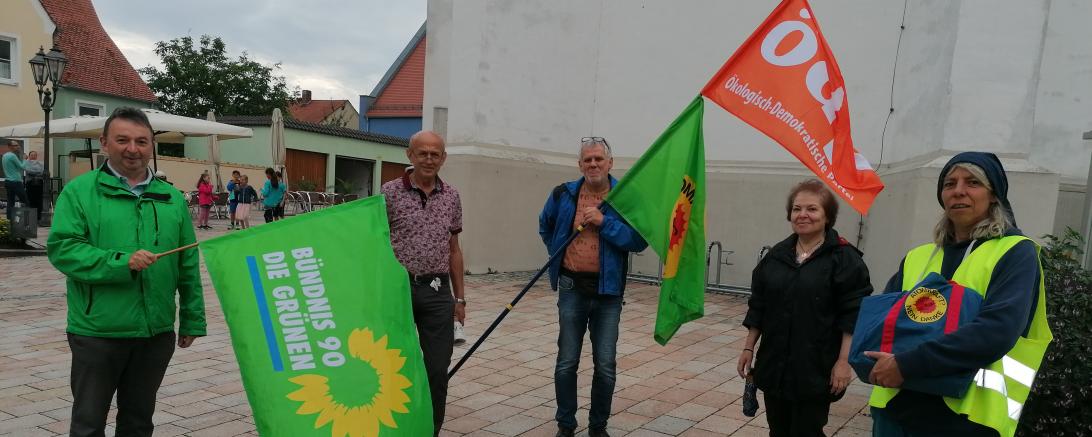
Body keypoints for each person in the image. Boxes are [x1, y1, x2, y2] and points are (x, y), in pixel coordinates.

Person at [866, 152, 1052, 437]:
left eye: (973, 182)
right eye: (949, 183)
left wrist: (906, 364)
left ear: (994, 195)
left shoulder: (1015, 252)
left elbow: (996, 331)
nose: (958, 191)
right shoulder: (919, 256)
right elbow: (882, 322)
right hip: (895, 411)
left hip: (965, 420)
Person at [46, 107, 206, 437]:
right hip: (98, 332)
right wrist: (123, 262)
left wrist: (192, 318)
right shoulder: (80, 192)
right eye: (122, 140)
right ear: (105, 143)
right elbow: (63, 249)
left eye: (141, 141)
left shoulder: (171, 198)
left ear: (151, 146)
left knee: (138, 421)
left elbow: (187, 263)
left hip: (155, 333)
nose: (132, 148)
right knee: (89, 422)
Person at [737, 179, 873, 437]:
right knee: (778, 430)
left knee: (807, 431)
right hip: (775, 363)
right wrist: (748, 347)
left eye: (812, 209)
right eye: (797, 209)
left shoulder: (844, 259)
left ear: (827, 216)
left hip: (816, 367)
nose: (803, 215)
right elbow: (759, 305)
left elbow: (853, 313)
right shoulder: (776, 256)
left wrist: (844, 362)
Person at [539, 136, 648, 437]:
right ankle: (566, 425)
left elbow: (639, 240)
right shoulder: (563, 194)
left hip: (608, 293)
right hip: (572, 287)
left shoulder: (624, 198)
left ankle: (598, 427)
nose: (593, 164)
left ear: (610, 163)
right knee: (566, 361)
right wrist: (558, 252)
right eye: (587, 159)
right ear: (580, 165)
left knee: (605, 365)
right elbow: (545, 225)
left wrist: (604, 222)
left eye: (599, 159)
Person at [380, 130, 465, 436]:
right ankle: (396, 427)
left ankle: (430, 429)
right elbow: (375, 241)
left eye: (435, 154)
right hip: (397, 291)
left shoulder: (451, 195)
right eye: (423, 153)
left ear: (443, 158)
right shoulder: (389, 192)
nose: (429, 159)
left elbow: (454, 249)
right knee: (393, 366)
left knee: (437, 370)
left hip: (438, 292)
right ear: (410, 155)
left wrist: (460, 299)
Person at [2, 139, 29, 223]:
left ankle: (10, 220)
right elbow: (22, 167)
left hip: (8, 181)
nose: (18, 147)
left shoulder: (5, 155)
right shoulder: (12, 156)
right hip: (15, 182)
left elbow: (15, 167)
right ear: (10, 147)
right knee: (25, 200)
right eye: (16, 145)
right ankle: (27, 220)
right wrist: (25, 159)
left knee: (10, 201)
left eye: (18, 145)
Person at [24, 150, 45, 221]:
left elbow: (43, 171)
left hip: (39, 184)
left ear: (36, 156)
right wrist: (37, 172)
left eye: (34, 155)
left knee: (39, 200)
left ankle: (38, 217)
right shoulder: (26, 162)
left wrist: (34, 172)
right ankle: (31, 218)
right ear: (29, 156)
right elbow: (28, 171)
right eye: (32, 155)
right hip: (30, 184)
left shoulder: (41, 163)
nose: (33, 156)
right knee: (30, 200)